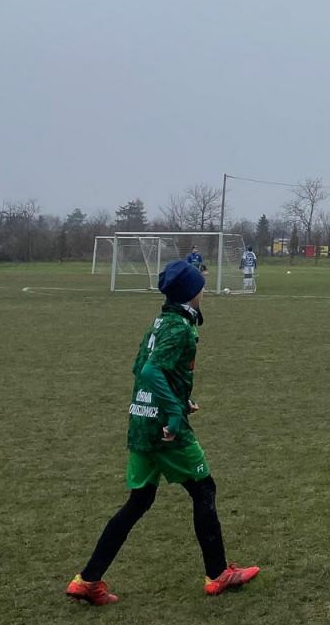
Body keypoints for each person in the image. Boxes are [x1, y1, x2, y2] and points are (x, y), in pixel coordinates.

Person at [65, 259, 261, 605]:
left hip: (141, 419)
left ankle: (88, 579)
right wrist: (173, 412)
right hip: (163, 427)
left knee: (138, 501)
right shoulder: (180, 328)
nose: (204, 287)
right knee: (204, 490)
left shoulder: (162, 321)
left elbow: (138, 366)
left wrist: (180, 400)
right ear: (191, 292)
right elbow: (151, 370)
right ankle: (218, 574)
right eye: (200, 283)